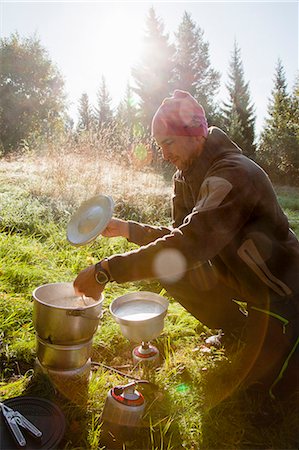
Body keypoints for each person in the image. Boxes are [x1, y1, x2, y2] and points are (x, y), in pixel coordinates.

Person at [74, 90, 299, 400]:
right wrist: (129, 229)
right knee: (171, 269)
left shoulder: (234, 174)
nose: (164, 156)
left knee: (264, 396)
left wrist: (107, 271)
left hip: (282, 292)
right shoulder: (186, 177)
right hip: (242, 281)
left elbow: (190, 244)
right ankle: (238, 329)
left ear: (196, 134)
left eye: (168, 143)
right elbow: (180, 236)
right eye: (158, 146)